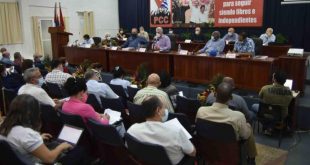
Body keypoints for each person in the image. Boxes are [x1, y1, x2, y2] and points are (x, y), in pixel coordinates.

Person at [0, 94, 87, 164]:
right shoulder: (27, 133)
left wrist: (38, 139)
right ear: (31, 113)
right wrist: (61, 146)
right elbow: (49, 159)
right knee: (80, 150)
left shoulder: (4, 126)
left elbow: (20, 142)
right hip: (37, 162)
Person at [196, 82, 257, 164]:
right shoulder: (238, 117)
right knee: (248, 127)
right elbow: (245, 136)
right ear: (231, 98)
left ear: (215, 94)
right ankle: (251, 160)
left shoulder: (201, 111)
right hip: (229, 156)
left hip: (207, 152)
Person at [127, 95, 196, 165]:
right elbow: (192, 153)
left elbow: (129, 147)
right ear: (158, 110)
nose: (165, 110)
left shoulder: (132, 130)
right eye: (163, 107)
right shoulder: (175, 132)